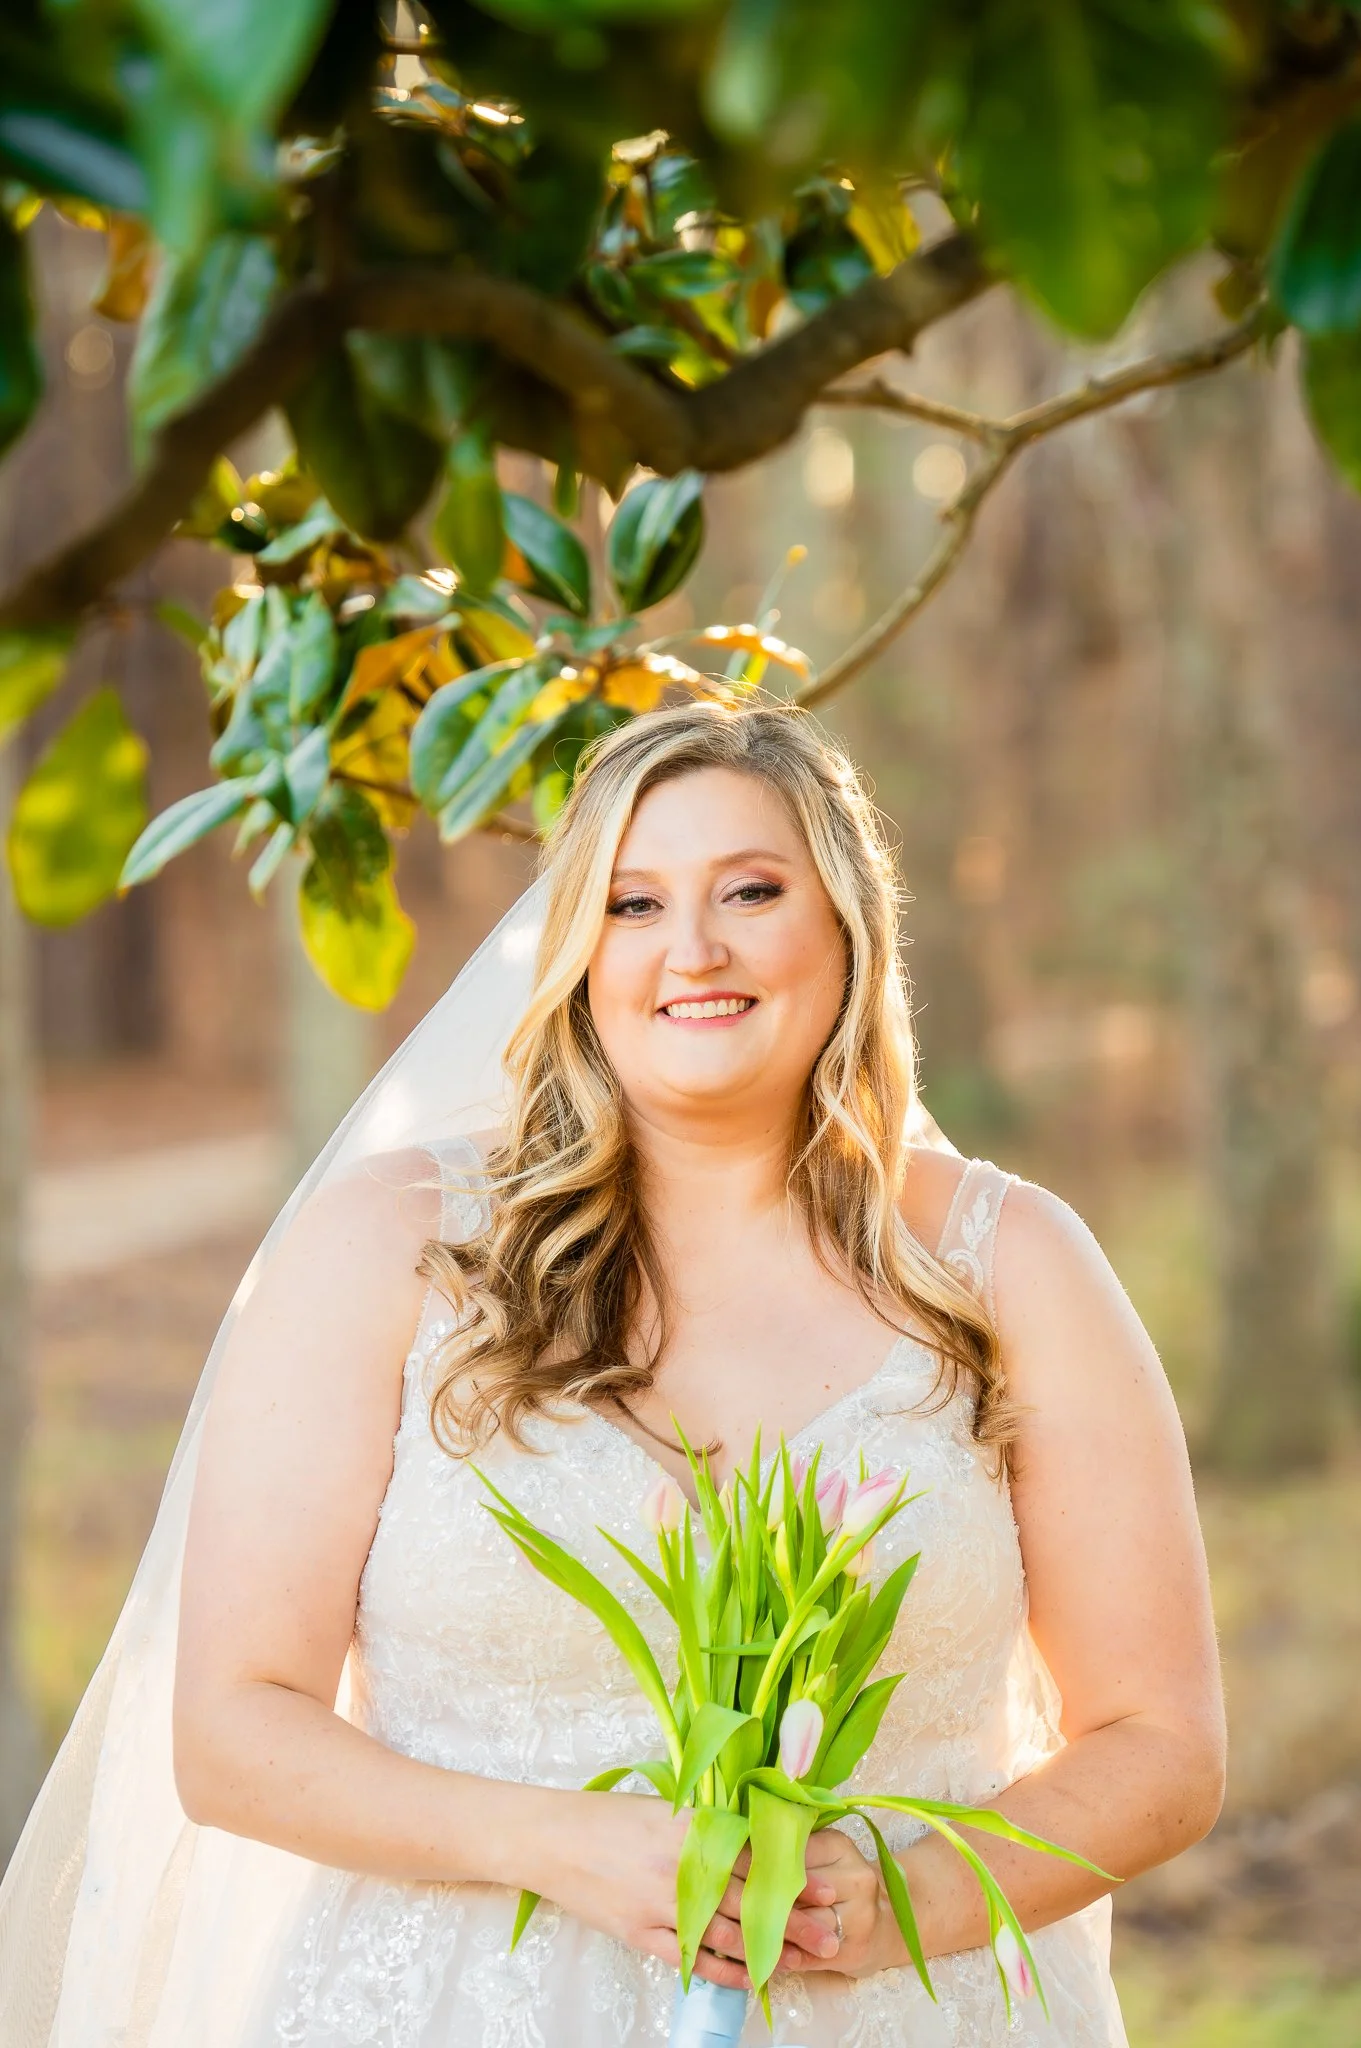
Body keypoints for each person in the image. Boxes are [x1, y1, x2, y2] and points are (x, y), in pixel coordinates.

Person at [0, 702, 1224, 2047]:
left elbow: (1159, 1744)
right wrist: (561, 1844)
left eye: (749, 892)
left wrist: (895, 1900)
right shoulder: (395, 1250)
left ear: (848, 925)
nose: (691, 949)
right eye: (634, 905)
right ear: (579, 951)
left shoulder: (1011, 1262)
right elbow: (234, 1729)